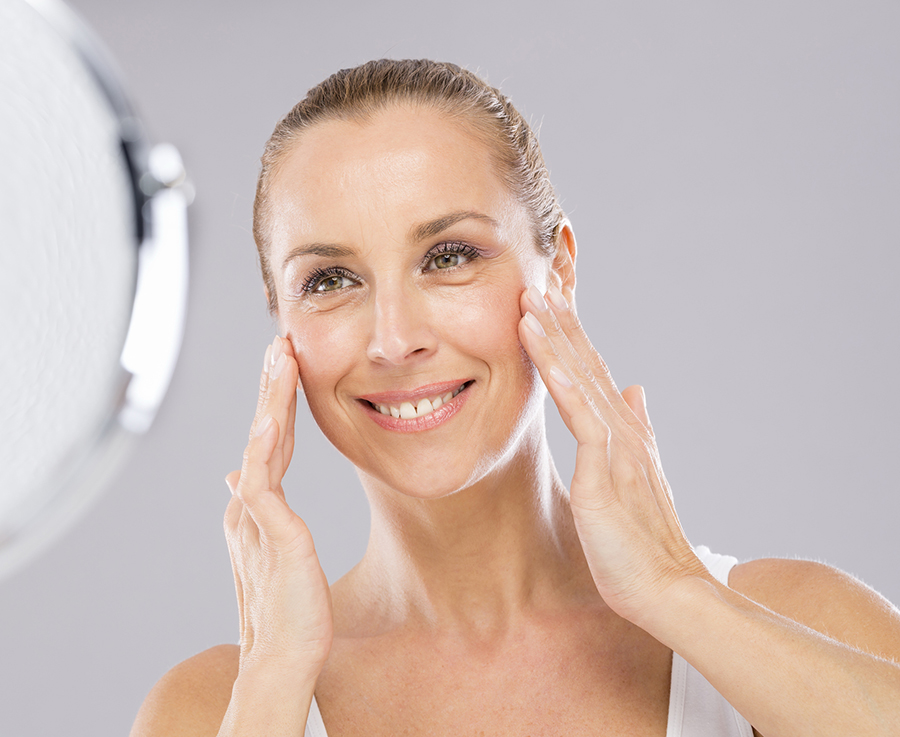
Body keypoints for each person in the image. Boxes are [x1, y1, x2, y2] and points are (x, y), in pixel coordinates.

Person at [130, 59, 900, 737]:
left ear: (557, 271)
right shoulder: (215, 708)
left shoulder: (801, 623)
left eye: (449, 256)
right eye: (331, 280)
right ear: (282, 324)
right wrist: (273, 685)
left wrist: (674, 590)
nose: (394, 339)